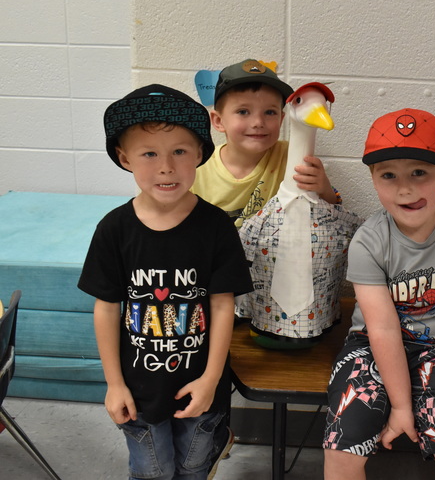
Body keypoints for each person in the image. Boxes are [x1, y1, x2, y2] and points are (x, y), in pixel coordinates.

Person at [78, 85, 254, 480]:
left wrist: (210, 380)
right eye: (149, 153)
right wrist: (114, 384)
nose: (166, 167)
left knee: (195, 466)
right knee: (152, 471)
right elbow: (107, 307)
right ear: (125, 158)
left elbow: (223, 305)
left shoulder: (216, 228)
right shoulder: (114, 230)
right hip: (139, 388)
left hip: (201, 385)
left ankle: (217, 438)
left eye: (179, 151)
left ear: (200, 155)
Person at [322, 109, 435, 480]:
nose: (405, 188)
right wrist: (402, 407)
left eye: (419, 173)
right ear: (373, 180)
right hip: (370, 346)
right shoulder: (370, 241)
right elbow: (383, 330)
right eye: (389, 175)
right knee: (343, 451)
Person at [191, 58, 339, 228]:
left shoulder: (291, 156)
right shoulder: (198, 166)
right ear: (218, 121)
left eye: (270, 112)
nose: (258, 122)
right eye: (243, 111)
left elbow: (329, 211)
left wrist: (324, 188)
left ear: (281, 119)